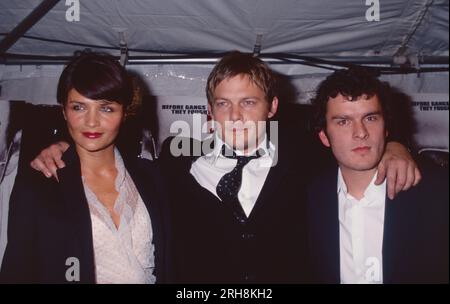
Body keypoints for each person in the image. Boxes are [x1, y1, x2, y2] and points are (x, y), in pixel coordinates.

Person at [29, 51, 420, 283]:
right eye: (223, 103)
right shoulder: (175, 161)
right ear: (209, 111)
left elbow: (359, 141)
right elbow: (106, 151)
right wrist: (64, 145)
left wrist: (397, 147)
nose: (235, 116)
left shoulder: (306, 156)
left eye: (248, 103)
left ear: (272, 107)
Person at [0, 53, 170, 283]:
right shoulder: (40, 183)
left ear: (124, 112)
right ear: (64, 111)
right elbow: (17, 272)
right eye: (79, 107)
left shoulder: (152, 177)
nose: (92, 121)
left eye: (106, 108)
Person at [306, 68, 448, 284]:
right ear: (324, 136)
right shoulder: (309, 198)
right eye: (343, 121)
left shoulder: (435, 192)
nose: (360, 132)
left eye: (370, 118)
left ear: (386, 128)